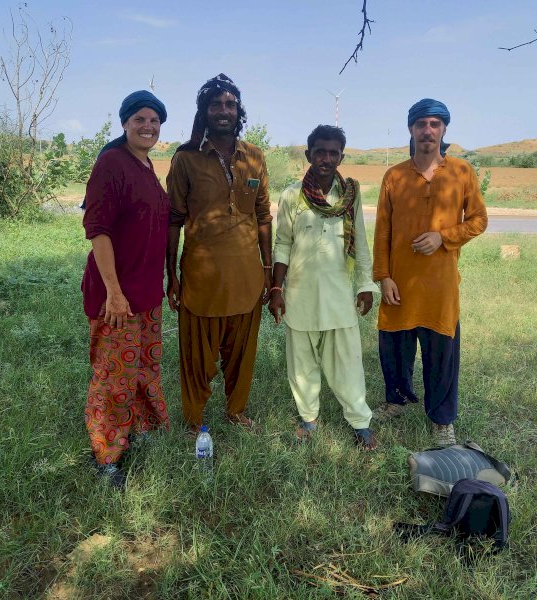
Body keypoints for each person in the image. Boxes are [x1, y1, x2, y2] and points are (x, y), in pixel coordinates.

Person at [371, 98, 487, 447]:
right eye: (421, 124)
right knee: (394, 345)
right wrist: (383, 277)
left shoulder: (461, 172)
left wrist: (444, 237)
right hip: (400, 283)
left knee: (442, 353)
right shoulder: (394, 176)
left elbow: (479, 220)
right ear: (411, 129)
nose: (427, 130)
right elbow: (382, 230)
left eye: (435, 124)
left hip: (440, 285)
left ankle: (442, 421)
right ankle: (397, 400)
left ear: (444, 129)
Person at [166, 74, 272, 434]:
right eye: (216, 105)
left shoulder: (254, 157)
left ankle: (236, 412)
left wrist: (268, 270)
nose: (223, 111)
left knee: (242, 354)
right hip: (201, 278)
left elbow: (262, 217)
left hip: (247, 276)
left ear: (239, 110)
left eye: (230, 104)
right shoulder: (186, 159)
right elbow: (174, 220)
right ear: (204, 111)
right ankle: (194, 419)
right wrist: (172, 276)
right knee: (197, 355)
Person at [269, 125, 379, 449]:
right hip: (300, 294)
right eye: (320, 152)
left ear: (341, 157)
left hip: (337, 295)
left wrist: (365, 285)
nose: (326, 158)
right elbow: (282, 244)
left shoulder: (350, 195)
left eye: (333, 153)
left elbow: (360, 243)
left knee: (347, 363)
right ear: (309, 155)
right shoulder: (292, 195)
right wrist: (276, 289)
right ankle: (309, 419)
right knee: (301, 364)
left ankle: (360, 423)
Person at [81, 90, 171, 488]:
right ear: (124, 123)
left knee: (144, 368)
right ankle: (107, 457)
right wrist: (114, 292)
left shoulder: (147, 165)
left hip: (147, 293)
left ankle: (141, 429)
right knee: (113, 375)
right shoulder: (111, 163)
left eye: (154, 120)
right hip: (117, 297)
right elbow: (97, 230)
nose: (148, 126)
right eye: (140, 119)